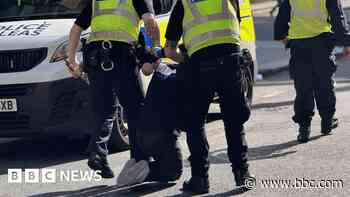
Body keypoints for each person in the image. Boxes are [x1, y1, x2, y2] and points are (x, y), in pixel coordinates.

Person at [163, 0, 254, 194]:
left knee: (195, 122)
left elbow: (169, 50)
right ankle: (243, 175)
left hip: (200, 67)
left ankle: (200, 179)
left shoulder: (184, 3)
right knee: (234, 120)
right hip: (231, 62)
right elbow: (234, 26)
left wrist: (187, 60)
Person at [67, 0, 160, 178]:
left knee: (103, 110)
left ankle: (98, 154)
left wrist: (73, 62)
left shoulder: (97, 2)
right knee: (134, 110)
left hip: (95, 58)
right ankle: (140, 159)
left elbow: (75, 29)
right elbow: (149, 21)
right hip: (122, 56)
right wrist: (153, 51)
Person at [274, 0, 350, 143]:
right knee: (324, 84)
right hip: (322, 43)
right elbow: (338, 19)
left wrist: (288, 41)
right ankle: (327, 121)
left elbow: (281, 22)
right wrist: (346, 42)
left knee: (303, 87)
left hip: (299, 45)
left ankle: (304, 128)